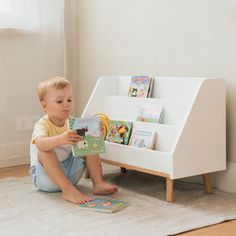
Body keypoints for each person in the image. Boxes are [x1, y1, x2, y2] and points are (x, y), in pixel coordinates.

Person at [30, 76, 118, 204]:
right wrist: (61, 139)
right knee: (44, 150)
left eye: (69, 100)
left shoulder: (73, 122)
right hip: (47, 179)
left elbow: (88, 141)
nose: (66, 104)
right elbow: (40, 144)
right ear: (45, 106)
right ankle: (68, 191)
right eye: (59, 101)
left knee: (88, 139)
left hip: (70, 175)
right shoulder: (42, 124)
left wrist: (96, 133)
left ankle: (98, 183)